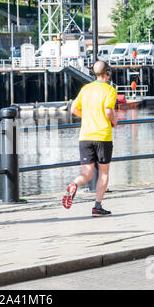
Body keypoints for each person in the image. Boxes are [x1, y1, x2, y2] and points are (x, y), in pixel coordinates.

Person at [62, 61, 117, 217]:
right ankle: (97, 207)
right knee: (104, 173)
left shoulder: (85, 89)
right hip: (102, 136)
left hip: (85, 136)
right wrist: (114, 121)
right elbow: (108, 112)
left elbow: (73, 109)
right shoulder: (110, 90)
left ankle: (74, 184)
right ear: (108, 73)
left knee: (86, 174)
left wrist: (86, 116)